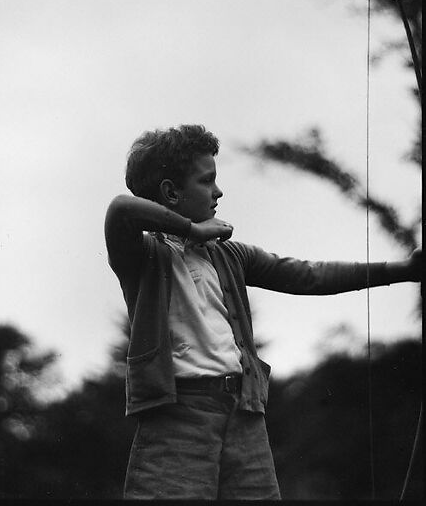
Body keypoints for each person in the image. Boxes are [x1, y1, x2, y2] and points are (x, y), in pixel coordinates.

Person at [104, 124, 422, 500]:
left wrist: (403, 271)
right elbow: (120, 209)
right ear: (171, 192)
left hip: (244, 412)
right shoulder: (143, 255)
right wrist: (192, 228)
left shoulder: (230, 253)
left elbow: (309, 274)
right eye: (207, 181)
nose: (218, 191)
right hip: (177, 415)